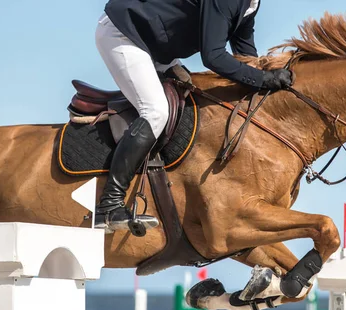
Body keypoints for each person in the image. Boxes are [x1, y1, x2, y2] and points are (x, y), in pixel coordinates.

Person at [94, 0, 293, 235]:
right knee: (156, 111)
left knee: (192, 97)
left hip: (158, 47)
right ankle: (109, 206)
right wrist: (262, 79)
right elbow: (214, 56)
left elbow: (245, 54)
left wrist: (266, 78)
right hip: (125, 33)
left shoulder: (252, 3)